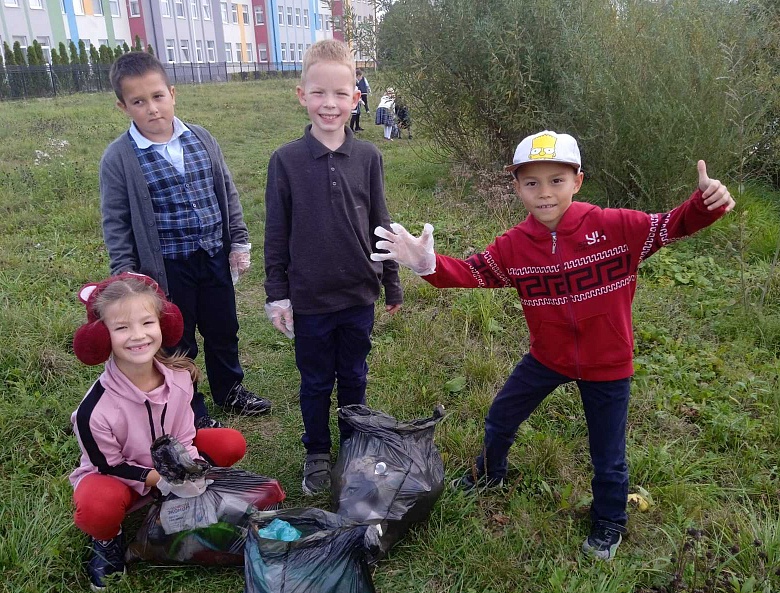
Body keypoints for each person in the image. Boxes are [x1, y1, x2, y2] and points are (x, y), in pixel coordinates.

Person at [371, 130, 735, 560]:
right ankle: (490, 472)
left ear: (577, 181)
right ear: (517, 187)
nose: (544, 193)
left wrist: (705, 204)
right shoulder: (513, 245)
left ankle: (609, 520)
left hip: (608, 363)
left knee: (609, 455)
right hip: (548, 355)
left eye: (556, 180)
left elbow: (672, 224)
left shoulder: (615, 226)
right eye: (531, 183)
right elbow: (474, 272)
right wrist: (427, 263)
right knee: (502, 414)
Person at [99, 51, 271, 430]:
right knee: (178, 341)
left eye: (158, 96)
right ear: (122, 106)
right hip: (165, 269)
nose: (152, 109)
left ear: (172, 93)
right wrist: (126, 279)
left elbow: (226, 192)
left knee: (223, 328)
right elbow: (117, 222)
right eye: (139, 102)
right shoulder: (119, 159)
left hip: (212, 256)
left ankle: (231, 390)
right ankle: (190, 408)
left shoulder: (201, 138)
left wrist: (238, 240)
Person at [264, 40, 403, 496]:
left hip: (358, 295)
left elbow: (381, 223)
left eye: (340, 94)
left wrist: (392, 284)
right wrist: (277, 294)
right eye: (319, 93)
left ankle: (354, 445)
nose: (330, 103)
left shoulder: (368, 158)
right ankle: (317, 452)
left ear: (356, 99)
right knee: (316, 380)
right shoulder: (284, 161)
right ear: (301, 94)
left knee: (355, 375)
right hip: (310, 299)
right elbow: (276, 233)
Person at [69, 273, 248, 591]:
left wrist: (189, 472)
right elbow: (108, 465)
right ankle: (107, 540)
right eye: (121, 328)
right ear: (101, 337)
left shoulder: (180, 379)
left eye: (146, 323)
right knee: (97, 505)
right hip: (121, 478)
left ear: (164, 325)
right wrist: (161, 480)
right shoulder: (93, 411)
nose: (137, 336)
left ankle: (175, 502)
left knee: (230, 443)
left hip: (167, 468)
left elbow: (184, 434)